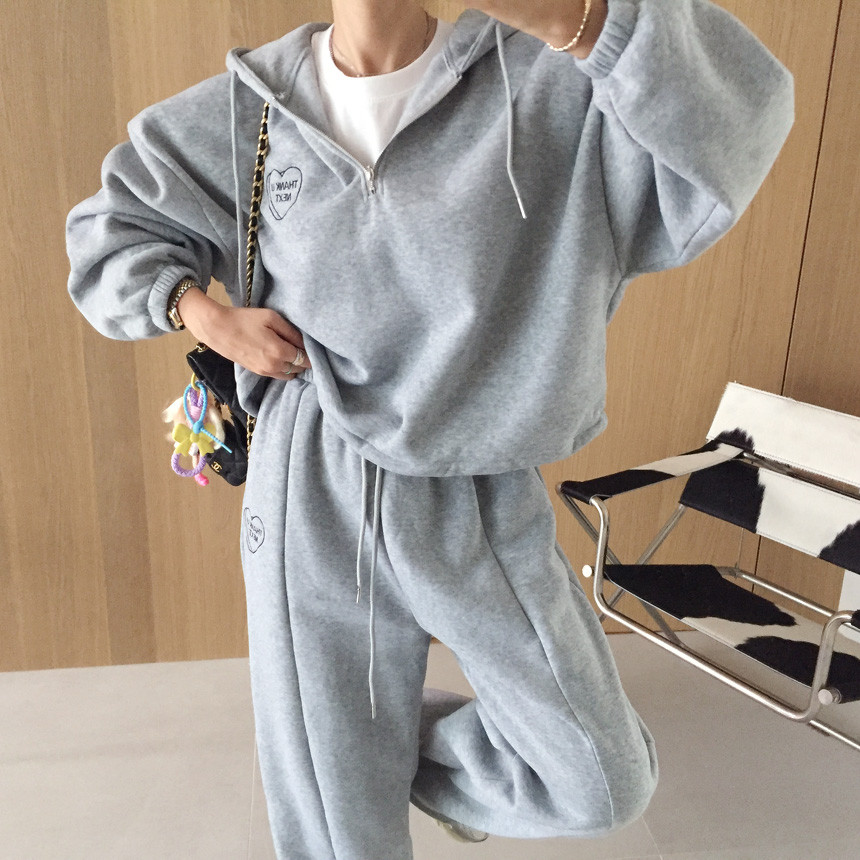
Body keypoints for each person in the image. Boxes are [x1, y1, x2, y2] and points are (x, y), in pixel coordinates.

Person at [65, 1, 794, 857]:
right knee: (336, 827)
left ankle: (358, 750)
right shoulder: (250, 107)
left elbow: (742, 117)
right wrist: (204, 315)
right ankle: (335, 751)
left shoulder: (547, 83)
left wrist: (582, 21)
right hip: (310, 477)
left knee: (598, 776)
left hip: (476, 480)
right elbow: (110, 231)